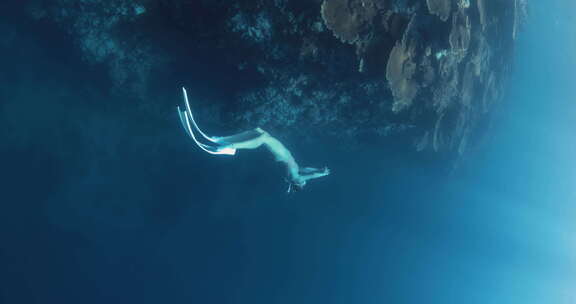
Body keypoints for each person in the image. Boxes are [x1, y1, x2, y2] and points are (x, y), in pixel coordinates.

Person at [177, 88, 330, 192]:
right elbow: (309, 170)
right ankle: (222, 140)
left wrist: (322, 175)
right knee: (258, 131)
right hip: (282, 155)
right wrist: (319, 170)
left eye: (303, 184)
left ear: (297, 183)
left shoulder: (295, 177)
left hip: (281, 154)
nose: (305, 182)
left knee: (263, 138)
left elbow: (309, 176)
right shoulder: (297, 173)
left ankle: (229, 146)